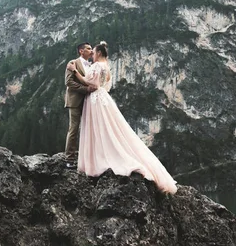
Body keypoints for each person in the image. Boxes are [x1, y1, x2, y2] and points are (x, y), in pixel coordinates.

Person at [66, 41, 177, 194]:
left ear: (98, 53)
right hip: (103, 97)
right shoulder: (106, 66)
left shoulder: (97, 66)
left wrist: (75, 71)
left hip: (95, 99)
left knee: (96, 128)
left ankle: (97, 157)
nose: (92, 53)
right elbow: (106, 84)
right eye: (89, 50)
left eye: (93, 51)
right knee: (107, 127)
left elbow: (89, 82)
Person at [64, 42, 97, 169]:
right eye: (88, 49)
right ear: (81, 51)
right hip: (75, 101)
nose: (91, 50)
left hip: (89, 101)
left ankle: (89, 158)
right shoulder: (73, 63)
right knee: (74, 129)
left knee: (89, 129)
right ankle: (69, 159)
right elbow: (68, 82)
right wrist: (85, 89)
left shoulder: (92, 65)